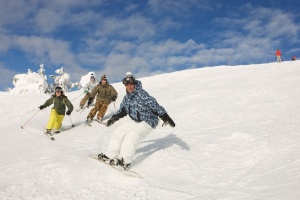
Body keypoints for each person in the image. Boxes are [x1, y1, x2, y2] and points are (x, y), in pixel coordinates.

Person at [97, 74, 175, 170]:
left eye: (131, 84)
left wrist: (165, 116)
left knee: (131, 137)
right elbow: (123, 110)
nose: (129, 87)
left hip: (149, 120)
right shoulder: (127, 98)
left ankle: (125, 161)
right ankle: (110, 155)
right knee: (117, 133)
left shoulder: (141, 94)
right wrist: (114, 118)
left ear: (134, 84)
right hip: (136, 120)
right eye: (127, 85)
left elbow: (154, 105)